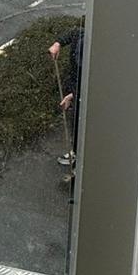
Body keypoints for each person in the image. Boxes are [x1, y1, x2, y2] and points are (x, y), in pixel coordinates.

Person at [49, 23, 84, 170]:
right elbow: (72, 33)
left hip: (84, 91)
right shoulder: (81, 34)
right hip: (77, 86)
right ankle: (76, 151)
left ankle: (80, 157)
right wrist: (58, 43)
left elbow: (88, 84)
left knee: (81, 123)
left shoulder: (90, 60)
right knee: (76, 121)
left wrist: (72, 96)